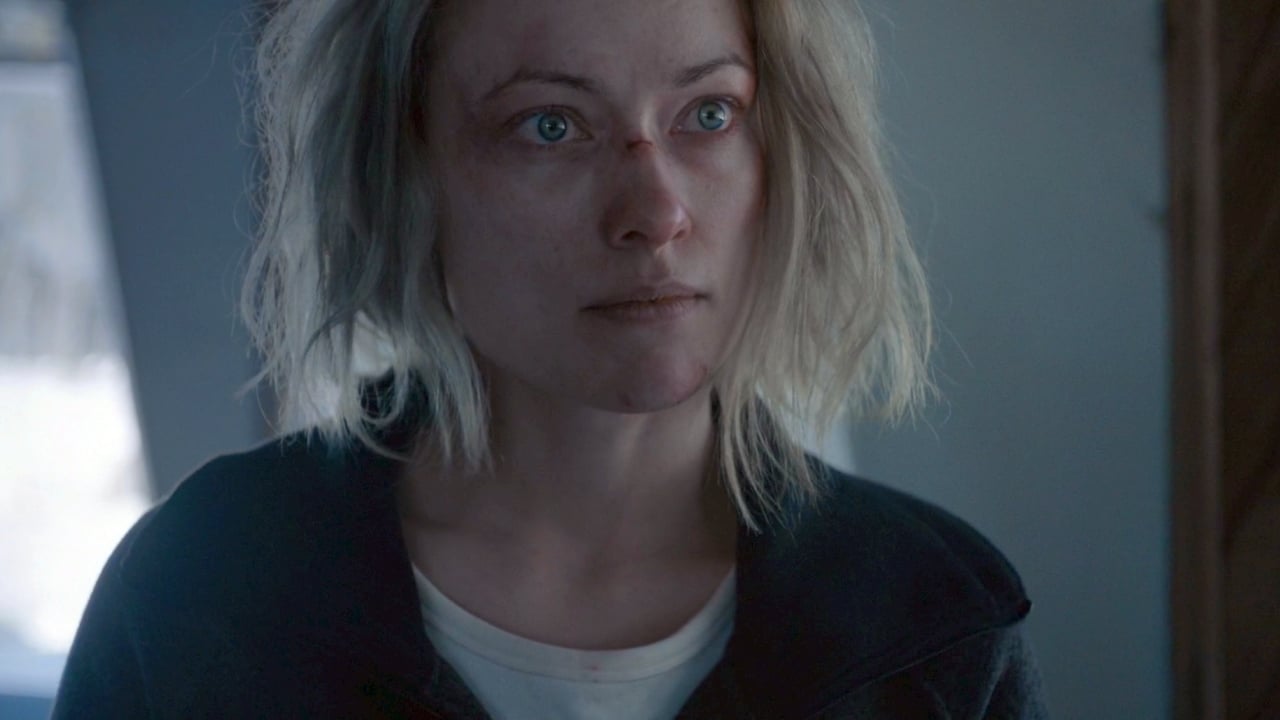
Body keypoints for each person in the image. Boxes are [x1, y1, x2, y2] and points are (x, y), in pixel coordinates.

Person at [53, 0, 1048, 717]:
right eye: (550, 126)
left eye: (708, 114)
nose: (655, 213)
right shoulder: (203, 592)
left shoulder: (931, 624)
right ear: (405, 174)